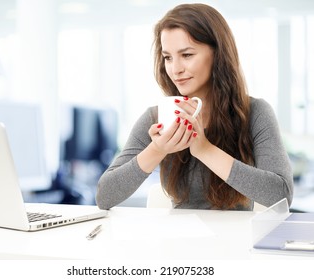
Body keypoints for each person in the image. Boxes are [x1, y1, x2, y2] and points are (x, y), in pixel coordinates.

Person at [96, 3, 293, 210]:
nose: (175, 69)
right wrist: (157, 149)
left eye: (187, 55)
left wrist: (204, 149)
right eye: (168, 58)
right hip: (179, 239)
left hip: (237, 239)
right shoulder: (158, 117)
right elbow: (104, 197)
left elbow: (281, 195)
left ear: (218, 53)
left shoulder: (255, 112)